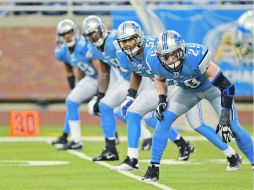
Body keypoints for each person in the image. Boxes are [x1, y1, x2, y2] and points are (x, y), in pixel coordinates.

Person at [113, 21, 241, 171]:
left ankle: (227, 153)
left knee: (197, 125)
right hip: (160, 86)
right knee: (134, 113)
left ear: (139, 37)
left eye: (130, 39)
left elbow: (176, 55)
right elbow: (136, 71)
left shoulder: (154, 47)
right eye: (124, 41)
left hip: (176, 84)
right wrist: (131, 95)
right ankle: (133, 158)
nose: (127, 44)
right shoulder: (123, 56)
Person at [142, 30, 254, 181]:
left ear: (182, 50)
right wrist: (162, 99)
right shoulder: (155, 62)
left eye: (175, 54)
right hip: (187, 92)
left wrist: (225, 118)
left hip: (212, 90)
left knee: (233, 127)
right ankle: (153, 168)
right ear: (160, 56)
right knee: (163, 119)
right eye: (166, 56)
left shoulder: (196, 56)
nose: (171, 60)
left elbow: (227, 86)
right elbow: (159, 79)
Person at [81, 15, 153, 160]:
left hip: (140, 77)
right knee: (104, 105)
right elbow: (104, 72)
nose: (92, 37)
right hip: (126, 80)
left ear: (101, 29)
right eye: (89, 35)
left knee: (152, 116)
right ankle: (111, 149)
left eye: (93, 33)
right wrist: (100, 94)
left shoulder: (115, 40)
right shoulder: (94, 49)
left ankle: (180, 142)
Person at [52, 19, 98, 149]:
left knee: (110, 108)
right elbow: (71, 70)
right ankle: (75, 140)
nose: (67, 36)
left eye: (69, 32)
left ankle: (142, 136)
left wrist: (102, 91)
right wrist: (74, 87)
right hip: (91, 78)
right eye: (63, 34)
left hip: (105, 78)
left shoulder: (84, 45)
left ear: (74, 31)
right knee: (71, 101)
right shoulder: (62, 51)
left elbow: (100, 69)